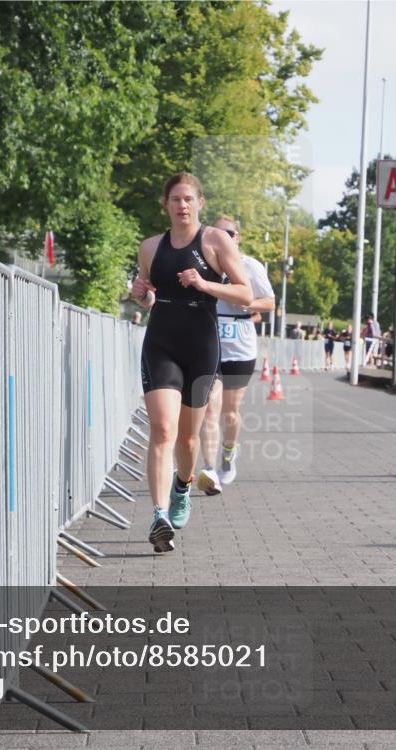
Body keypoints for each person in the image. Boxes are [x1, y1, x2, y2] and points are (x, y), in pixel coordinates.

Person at [131, 173, 252, 552]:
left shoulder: (215, 241)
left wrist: (204, 284)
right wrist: (140, 294)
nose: (182, 205)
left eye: (188, 199)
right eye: (175, 199)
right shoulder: (150, 247)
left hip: (201, 346)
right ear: (165, 204)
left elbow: (245, 293)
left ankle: (182, 487)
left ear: (200, 203)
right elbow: (148, 297)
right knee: (162, 429)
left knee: (187, 438)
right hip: (161, 343)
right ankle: (159, 515)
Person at [197, 216, 276, 496]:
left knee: (230, 413)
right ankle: (209, 470)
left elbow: (270, 302)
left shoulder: (250, 266)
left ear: (237, 237)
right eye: (217, 232)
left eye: (229, 233)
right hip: (209, 344)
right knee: (209, 409)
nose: (224, 237)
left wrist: (245, 301)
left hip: (240, 346)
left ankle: (228, 453)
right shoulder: (203, 265)